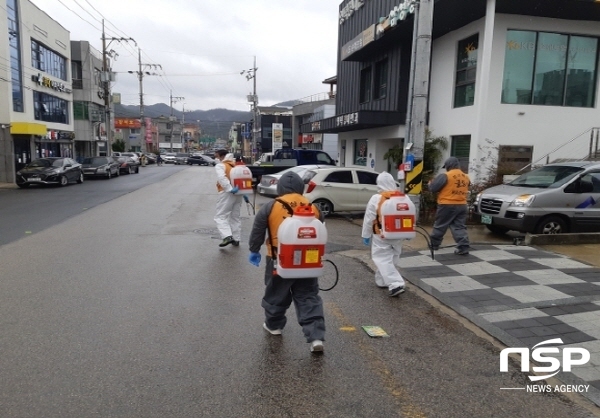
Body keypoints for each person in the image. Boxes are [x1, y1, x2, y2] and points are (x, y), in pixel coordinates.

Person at [248, 171, 326, 354]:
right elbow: (320, 233)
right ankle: (315, 336)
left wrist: (254, 250)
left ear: (280, 187)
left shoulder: (271, 206)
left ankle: (274, 326)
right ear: (301, 188)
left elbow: (258, 231)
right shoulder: (314, 208)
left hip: (278, 260)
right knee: (308, 296)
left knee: (276, 294)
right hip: (308, 262)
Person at [361, 171, 406, 297]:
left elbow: (369, 218)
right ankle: (381, 281)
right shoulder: (402, 197)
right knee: (392, 257)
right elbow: (410, 215)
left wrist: (366, 234)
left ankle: (395, 284)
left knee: (382, 258)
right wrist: (408, 232)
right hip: (399, 234)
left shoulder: (376, 198)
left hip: (381, 235)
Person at [428, 156, 471, 255]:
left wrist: (430, 184)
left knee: (440, 225)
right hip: (462, 205)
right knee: (459, 227)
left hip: (447, 204)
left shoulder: (446, 175)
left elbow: (433, 188)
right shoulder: (466, 176)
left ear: (448, 165)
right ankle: (463, 247)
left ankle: (434, 245)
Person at [214, 149, 243, 247]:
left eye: (217, 156)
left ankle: (227, 236)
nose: (216, 158)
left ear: (222, 156)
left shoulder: (220, 166)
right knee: (235, 217)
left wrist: (229, 189)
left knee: (220, 216)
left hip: (227, 193)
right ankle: (236, 239)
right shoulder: (236, 165)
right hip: (239, 193)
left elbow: (222, 178)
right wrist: (245, 193)